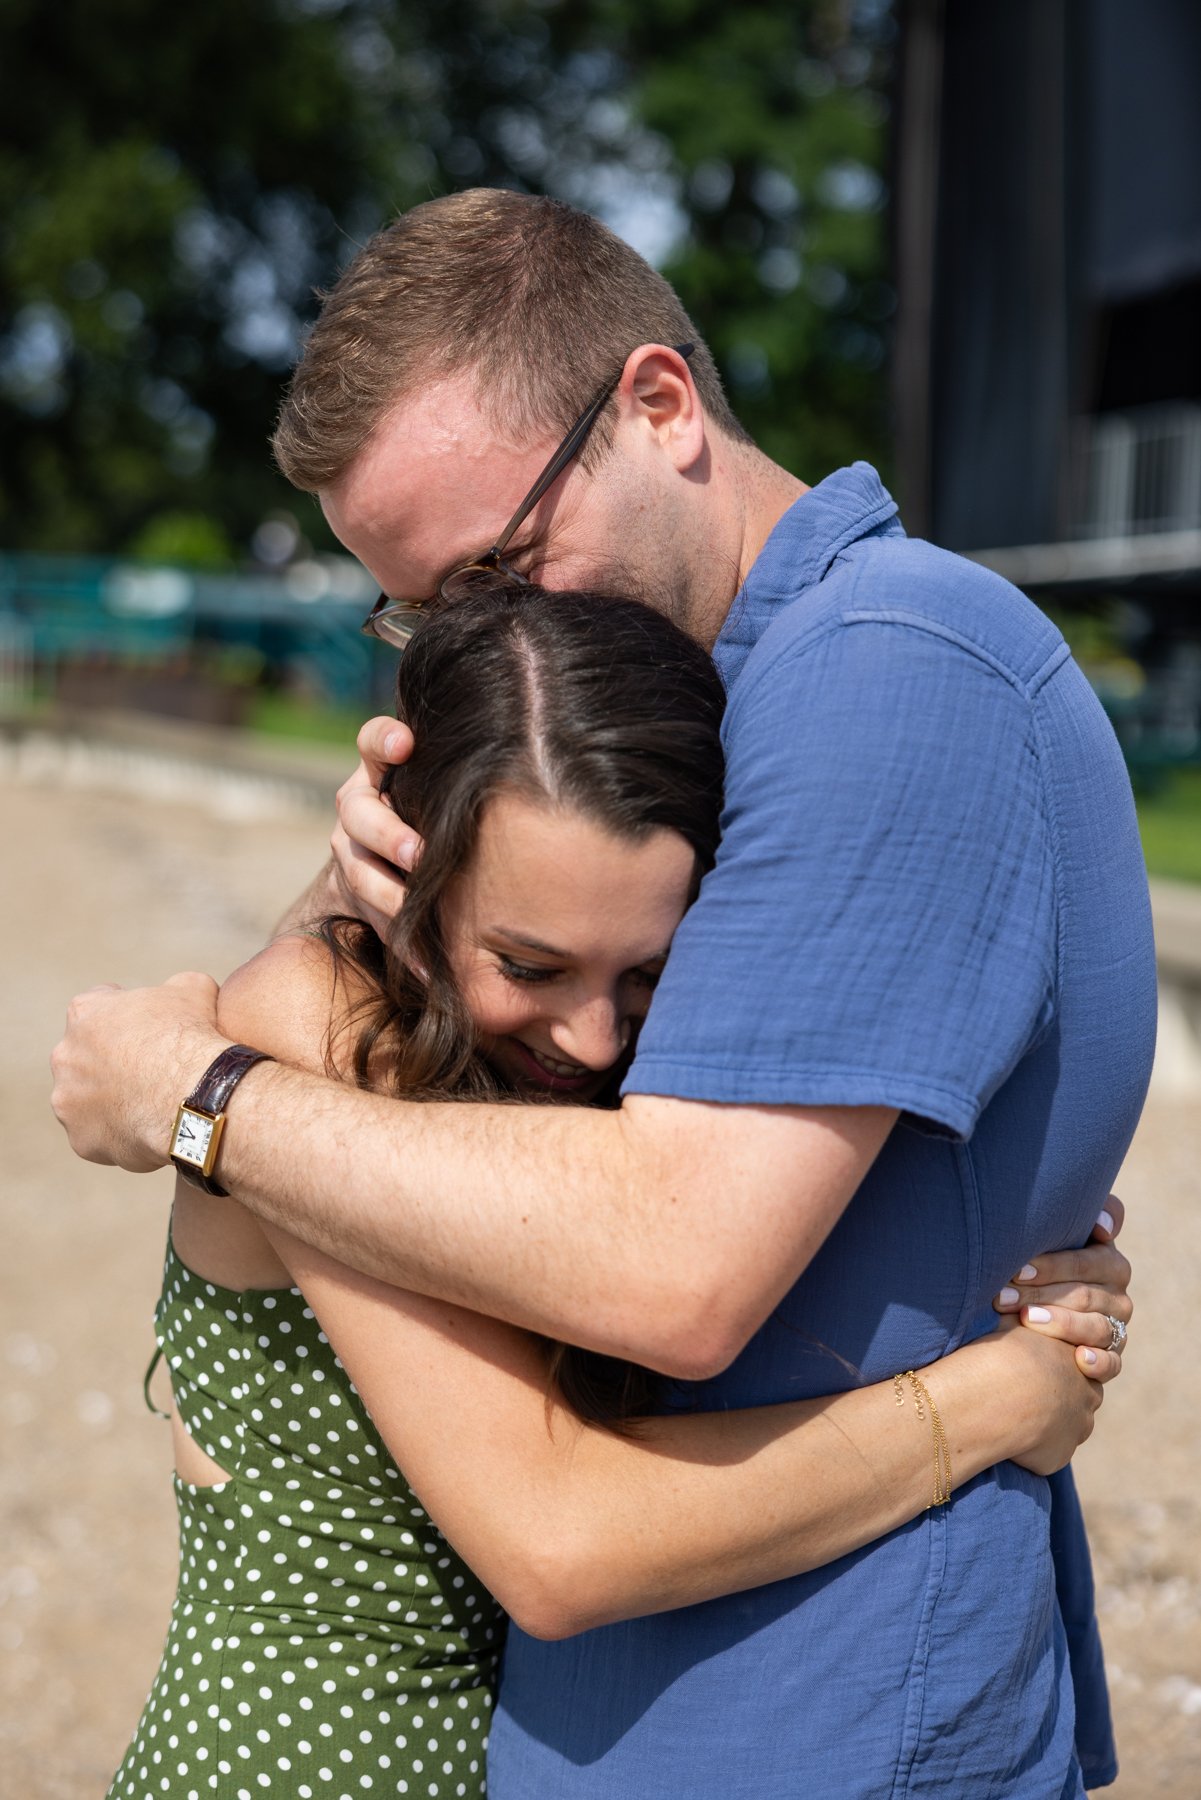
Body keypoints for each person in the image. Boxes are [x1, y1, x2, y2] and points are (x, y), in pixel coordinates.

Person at [53, 189, 1155, 1798]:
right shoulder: (728, 703)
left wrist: (201, 1100)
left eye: (501, 565)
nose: (491, 637)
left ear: (657, 403)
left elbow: (669, 1267)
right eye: (430, 610)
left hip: (815, 1719)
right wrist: (369, 900)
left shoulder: (887, 671)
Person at [110, 583, 1125, 1800]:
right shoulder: (309, 1028)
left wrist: (1021, 1252)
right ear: (407, 874)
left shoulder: (533, 1081)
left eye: (649, 970)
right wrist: (988, 1403)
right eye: (528, 965)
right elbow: (561, 1544)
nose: (593, 1039)